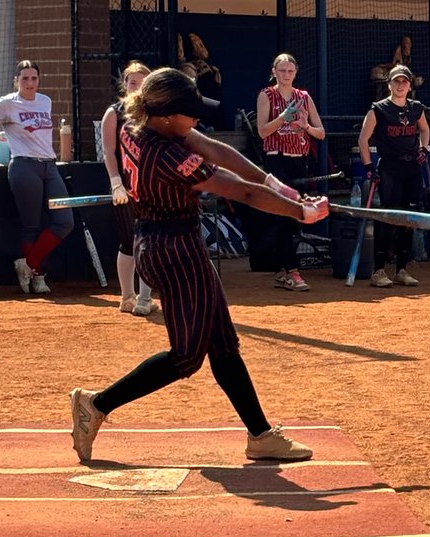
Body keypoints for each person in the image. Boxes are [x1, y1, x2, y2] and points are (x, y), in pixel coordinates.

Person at [70, 67, 330, 465]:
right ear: (167, 115)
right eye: (189, 113)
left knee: (222, 343)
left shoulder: (141, 125)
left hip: (169, 241)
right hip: (173, 252)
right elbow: (239, 190)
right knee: (187, 357)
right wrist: (300, 213)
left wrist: (276, 185)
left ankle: (260, 435)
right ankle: (97, 404)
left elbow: (215, 149)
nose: (196, 119)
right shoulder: (166, 155)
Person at [0, 59, 74, 295]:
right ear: (16, 80)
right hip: (24, 166)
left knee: (65, 221)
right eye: (25, 78)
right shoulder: (7, 103)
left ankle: (27, 265)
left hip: (49, 166)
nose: (30, 83)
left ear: (39, 80)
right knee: (31, 225)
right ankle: (37, 277)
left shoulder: (45, 101)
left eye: (34, 78)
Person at [255, 53, 326, 292]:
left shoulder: (303, 97)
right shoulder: (266, 95)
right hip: (276, 161)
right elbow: (263, 131)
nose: (286, 75)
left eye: (290, 71)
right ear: (274, 72)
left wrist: (305, 126)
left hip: (299, 161)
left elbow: (321, 133)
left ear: (296, 73)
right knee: (283, 215)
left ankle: (285, 270)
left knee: (295, 216)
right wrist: (282, 118)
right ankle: (291, 270)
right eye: (282, 70)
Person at [357, 64, 430, 288]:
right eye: (396, 81)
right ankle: (379, 270)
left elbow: (425, 129)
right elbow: (363, 139)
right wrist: (369, 167)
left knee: (408, 218)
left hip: (412, 168)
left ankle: (402, 269)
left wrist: (424, 149)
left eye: (404, 81)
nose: (400, 85)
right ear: (389, 84)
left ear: (409, 85)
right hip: (390, 168)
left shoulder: (416, 108)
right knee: (388, 217)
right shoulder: (378, 109)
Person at [100, 61, 157, 315]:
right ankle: (127, 297)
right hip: (125, 186)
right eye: (133, 82)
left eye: (142, 83)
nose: (137, 87)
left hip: (150, 187)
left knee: (149, 241)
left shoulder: (153, 113)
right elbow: (108, 152)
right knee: (128, 241)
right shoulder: (114, 113)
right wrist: (116, 183)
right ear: (124, 84)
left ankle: (145, 299)